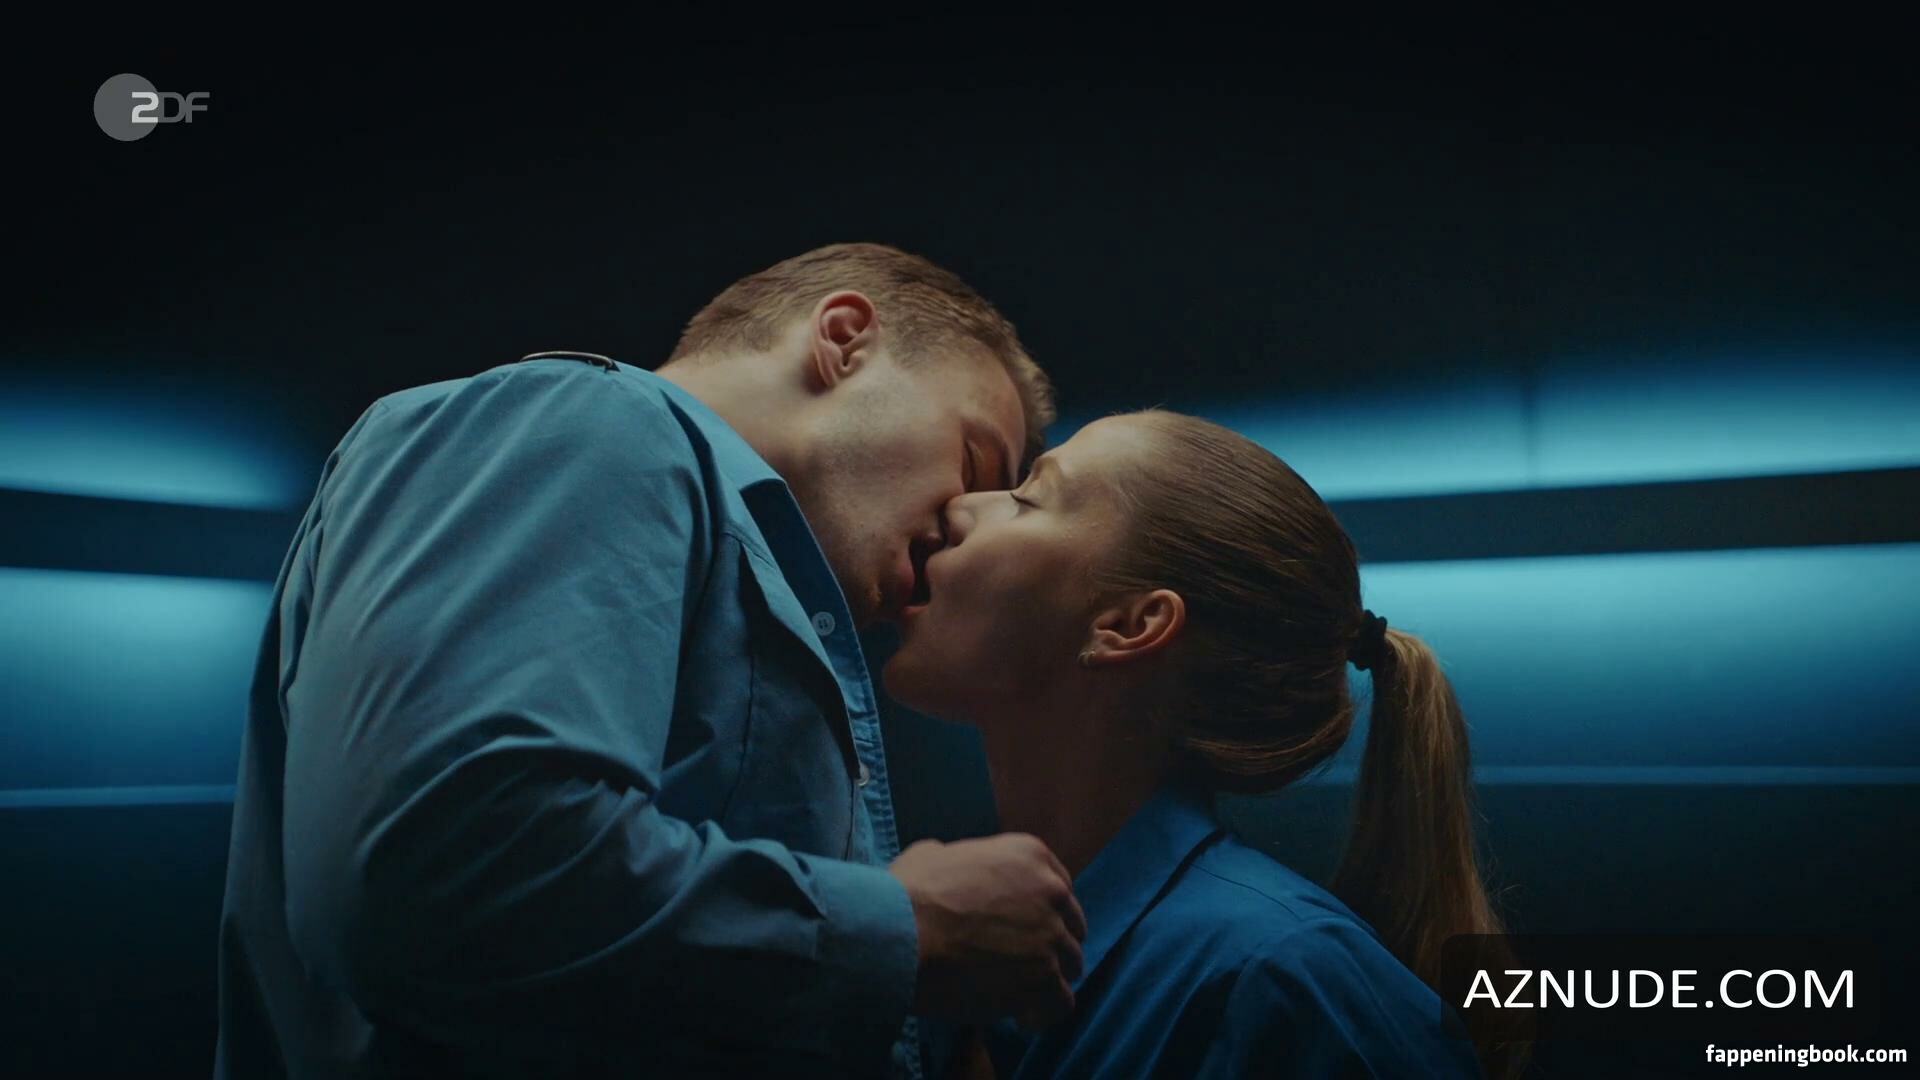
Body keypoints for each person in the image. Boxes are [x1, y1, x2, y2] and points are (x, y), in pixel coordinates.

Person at [215, 243, 1088, 1079]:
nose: (962, 527)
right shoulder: (586, 419)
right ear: (844, 339)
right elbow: (437, 877)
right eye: (973, 459)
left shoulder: (721, 553)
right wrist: (905, 932)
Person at [884, 410, 1521, 1079]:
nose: (959, 507)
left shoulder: (1286, 981)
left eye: (1026, 498)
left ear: (1130, 624)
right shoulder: (952, 954)